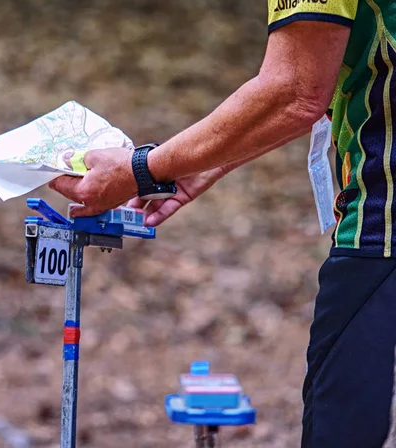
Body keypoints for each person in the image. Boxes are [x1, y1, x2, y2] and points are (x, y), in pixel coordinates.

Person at [49, 0, 396, 446]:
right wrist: (206, 162)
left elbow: (296, 89)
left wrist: (142, 168)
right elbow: (319, 73)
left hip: (382, 216)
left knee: (341, 426)